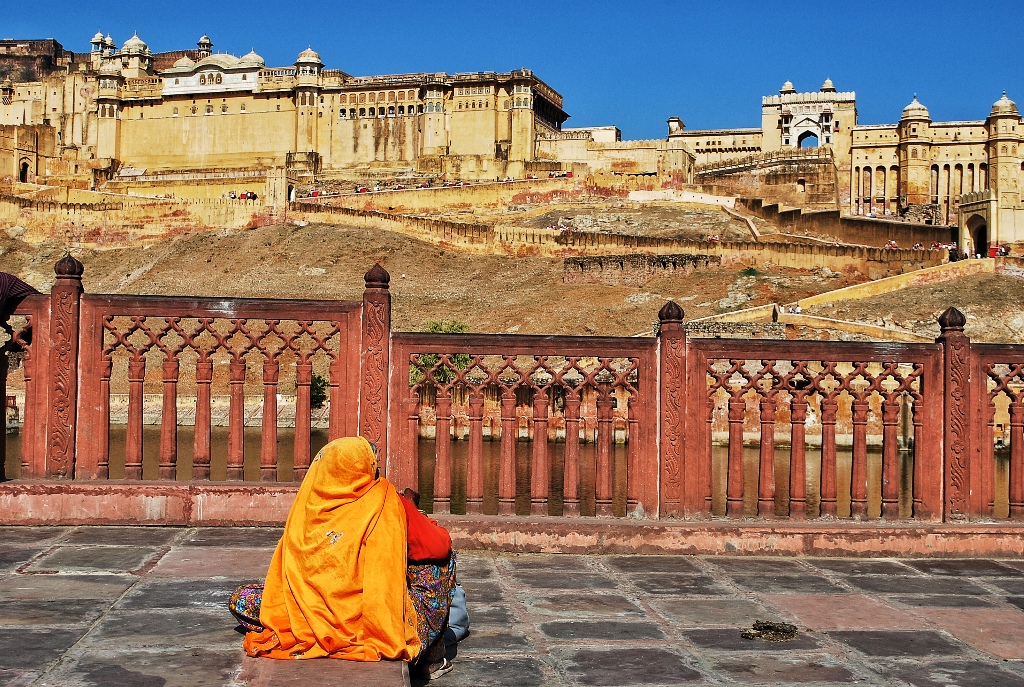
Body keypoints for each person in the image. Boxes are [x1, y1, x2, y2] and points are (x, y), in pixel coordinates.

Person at [228, 437, 458, 680]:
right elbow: (439, 544)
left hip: (308, 613)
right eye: (372, 464)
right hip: (366, 620)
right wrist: (413, 513)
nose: (376, 470)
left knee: (242, 599)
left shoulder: (306, 505)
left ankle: (319, 632)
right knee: (442, 562)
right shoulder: (385, 500)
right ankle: (431, 660)